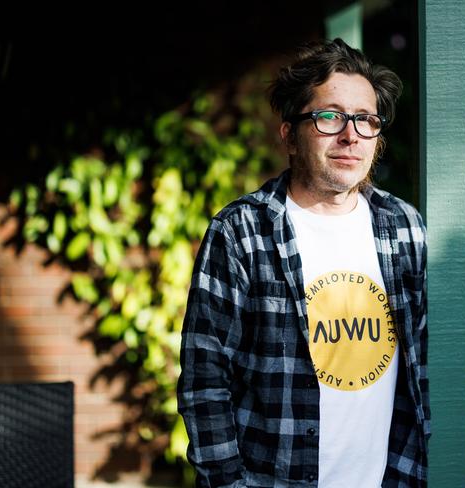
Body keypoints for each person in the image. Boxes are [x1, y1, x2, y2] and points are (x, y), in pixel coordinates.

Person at [178, 38, 429, 488]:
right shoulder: (240, 233)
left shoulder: (405, 228)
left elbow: (423, 368)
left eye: (366, 119)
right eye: (330, 116)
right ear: (290, 135)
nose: (351, 134)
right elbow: (204, 383)